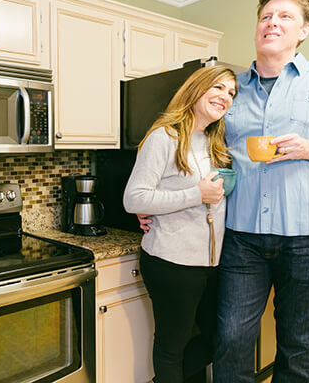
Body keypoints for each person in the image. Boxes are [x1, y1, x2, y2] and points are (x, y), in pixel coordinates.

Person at [138, 0, 309, 382]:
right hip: (241, 240)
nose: (272, 23)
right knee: (231, 339)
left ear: (304, 30)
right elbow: (196, 150)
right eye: (266, 16)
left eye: (285, 17)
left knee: (302, 343)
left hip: (308, 238)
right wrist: (152, 203)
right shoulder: (229, 91)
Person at [123, 65, 237, 383]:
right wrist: (196, 194)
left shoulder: (216, 142)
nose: (224, 96)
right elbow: (134, 199)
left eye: (230, 92)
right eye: (217, 88)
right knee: (173, 346)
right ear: (196, 88)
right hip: (171, 261)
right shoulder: (165, 136)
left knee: (219, 340)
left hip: (212, 263)